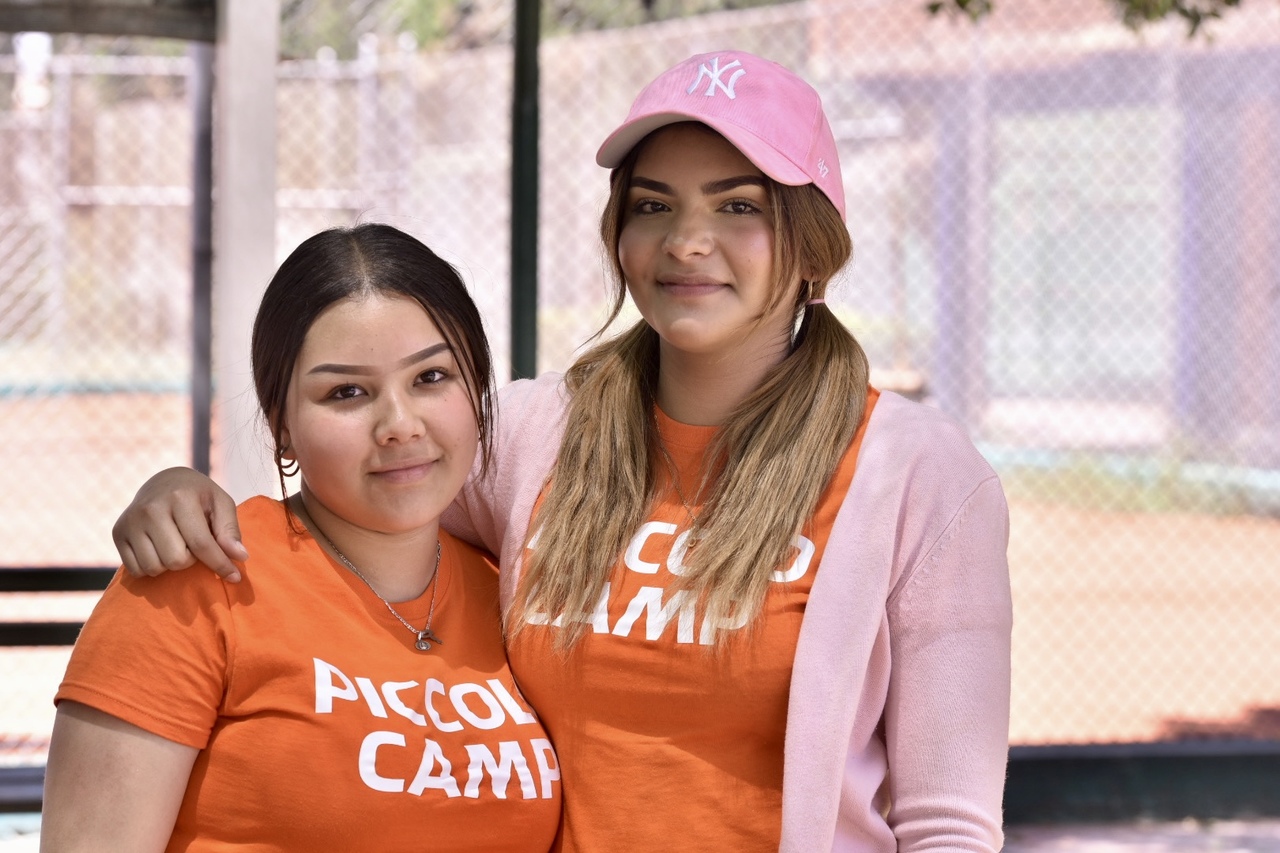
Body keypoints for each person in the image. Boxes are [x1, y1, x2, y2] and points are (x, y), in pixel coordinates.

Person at [108, 51, 1012, 851]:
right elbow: (358, 501)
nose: (686, 241)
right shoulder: (536, 434)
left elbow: (949, 824)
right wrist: (181, 490)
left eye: (739, 206)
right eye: (653, 206)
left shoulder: (914, 477)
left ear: (814, 242)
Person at [42, 224, 562, 852]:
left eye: (430, 377)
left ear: (476, 389)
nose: (400, 425)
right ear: (280, 424)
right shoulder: (200, 577)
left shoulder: (513, 594)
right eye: (347, 392)